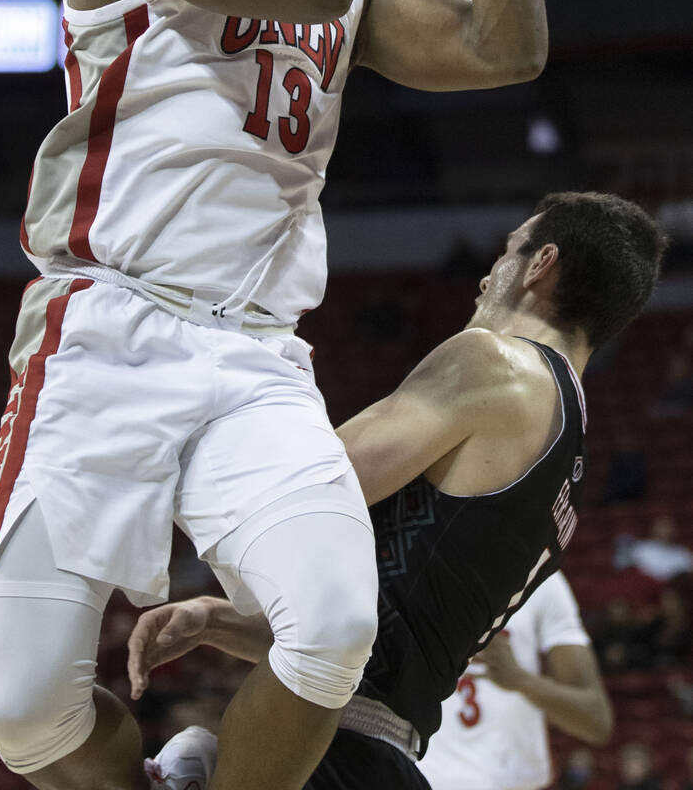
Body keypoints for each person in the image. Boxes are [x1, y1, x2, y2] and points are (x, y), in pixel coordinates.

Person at [0, 0, 548, 790]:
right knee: (29, 718)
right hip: (104, 336)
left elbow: (507, 46)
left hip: (253, 356)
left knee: (333, 629)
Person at [128, 191, 665, 790]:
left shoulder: (496, 364)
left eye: (507, 251)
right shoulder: (568, 458)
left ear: (541, 264)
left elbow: (306, 490)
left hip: (330, 752)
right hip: (379, 754)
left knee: (155, 756)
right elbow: (392, 633)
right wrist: (213, 619)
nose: (486, 277)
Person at [418, 572, 613, 790]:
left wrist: (520, 680)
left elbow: (597, 720)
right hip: (421, 778)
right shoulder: (411, 565)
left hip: (514, 782)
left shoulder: (543, 576)